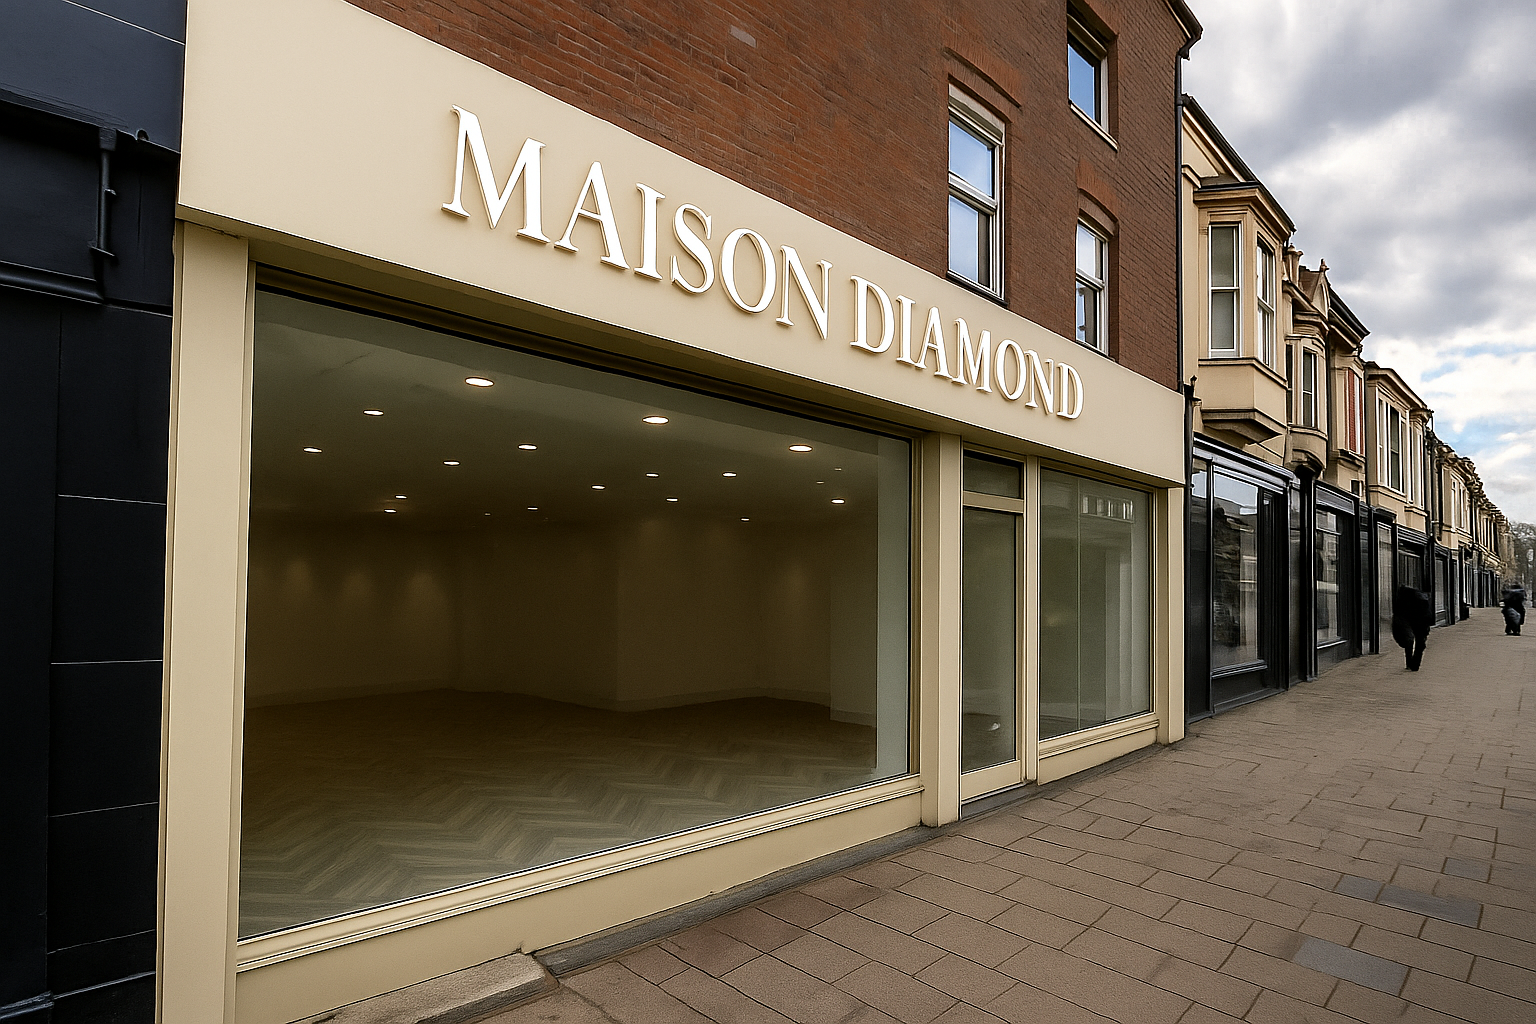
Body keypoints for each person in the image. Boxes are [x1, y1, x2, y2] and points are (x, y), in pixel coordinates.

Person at [1392, 585, 1433, 671]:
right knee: (1419, 643)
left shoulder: (1405, 598)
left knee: (1410, 641)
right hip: (1420, 620)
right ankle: (1414, 665)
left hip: (1414, 619)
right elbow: (1428, 616)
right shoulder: (1423, 600)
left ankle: (1410, 663)